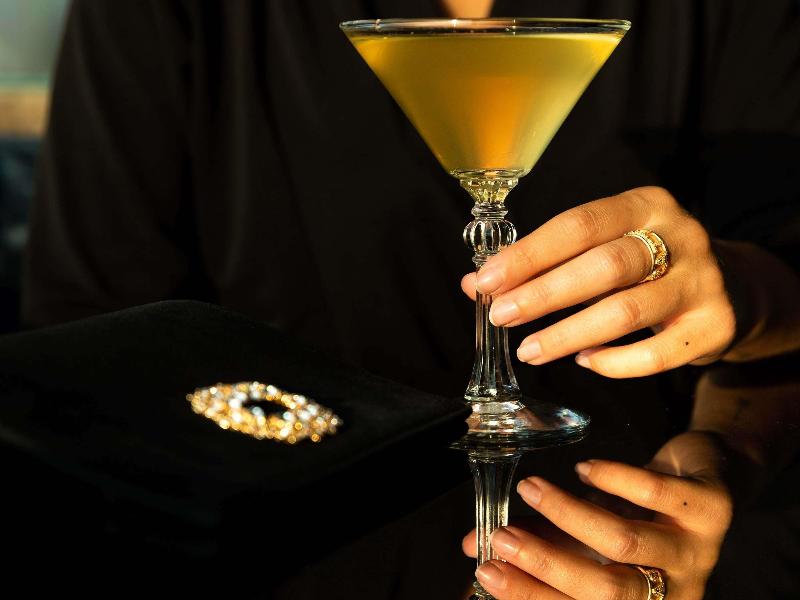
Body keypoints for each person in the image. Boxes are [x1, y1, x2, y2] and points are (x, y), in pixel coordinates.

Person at [22, 0, 800, 598]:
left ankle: (492, 388)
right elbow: (87, 327)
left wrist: (754, 297)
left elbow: (786, 259)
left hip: (645, 553)